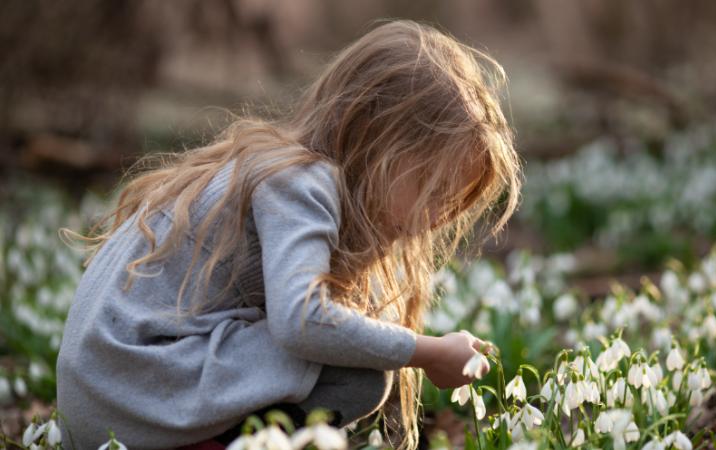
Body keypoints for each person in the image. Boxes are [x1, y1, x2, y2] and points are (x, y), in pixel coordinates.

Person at [55, 19, 521, 450]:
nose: (437, 215)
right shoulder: (301, 181)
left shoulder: (287, 172)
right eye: (431, 187)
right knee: (358, 370)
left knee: (356, 367)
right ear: (377, 140)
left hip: (109, 396)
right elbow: (301, 320)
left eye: (452, 200)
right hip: (130, 395)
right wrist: (427, 352)